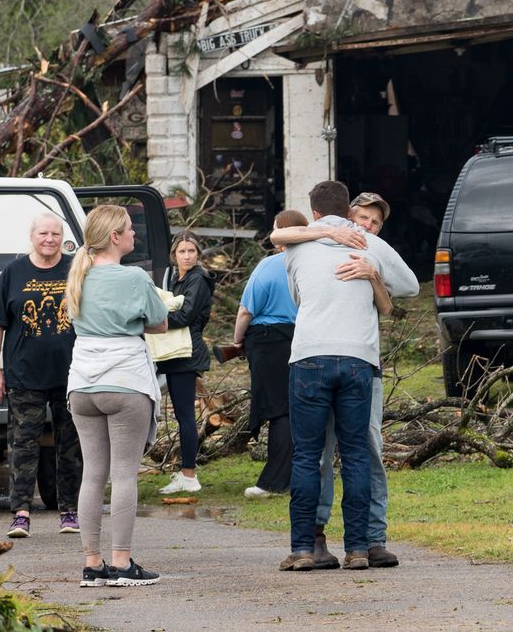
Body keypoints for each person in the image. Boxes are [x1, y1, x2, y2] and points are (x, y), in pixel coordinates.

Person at [278, 182, 418, 572]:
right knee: (356, 455)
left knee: (307, 455)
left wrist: (370, 276)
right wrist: (373, 270)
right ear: (349, 212)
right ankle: (358, 548)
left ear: (316, 213)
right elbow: (410, 284)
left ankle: (303, 548)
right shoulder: (371, 244)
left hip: (309, 357)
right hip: (357, 359)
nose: (369, 225)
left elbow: (298, 296)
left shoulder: (297, 246)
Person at [65, 205, 169, 588]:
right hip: (124, 379)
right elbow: (161, 321)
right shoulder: (135, 277)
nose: (134, 235)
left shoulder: (78, 275)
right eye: (129, 229)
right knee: (124, 474)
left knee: (92, 475)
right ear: (115, 237)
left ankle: (92, 563)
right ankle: (122, 562)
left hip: (82, 384)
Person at [0, 213, 82, 539]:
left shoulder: (76, 267)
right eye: (43, 233)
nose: (49, 239)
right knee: (23, 445)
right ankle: (21, 513)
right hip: (24, 375)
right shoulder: (14, 272)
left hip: (72, 373)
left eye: (55, 234)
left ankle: (69, 511)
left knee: (71, 445)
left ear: (62, 237)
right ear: (32, 236)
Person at [229, 210, 309, 505]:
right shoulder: (313, 265)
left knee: (279, 411)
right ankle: (294, 474)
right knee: (296, 409)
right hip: (303, 338)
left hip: (269, 341)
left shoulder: (270, 265)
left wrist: (238, 340)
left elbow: (246, 310)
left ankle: (274, 481)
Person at [156, 230, 215, 495]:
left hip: (187, 353)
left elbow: (187, 314)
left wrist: (156, 323)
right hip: (175, 352)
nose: (187, 255)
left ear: (198, 254)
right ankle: (184, 472)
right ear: (174, 255)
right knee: (181, 415)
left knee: (186, 417)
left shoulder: (198, 278)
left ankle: (189, 475)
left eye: (191, 251)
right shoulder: (177, 278)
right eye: (182, 251)